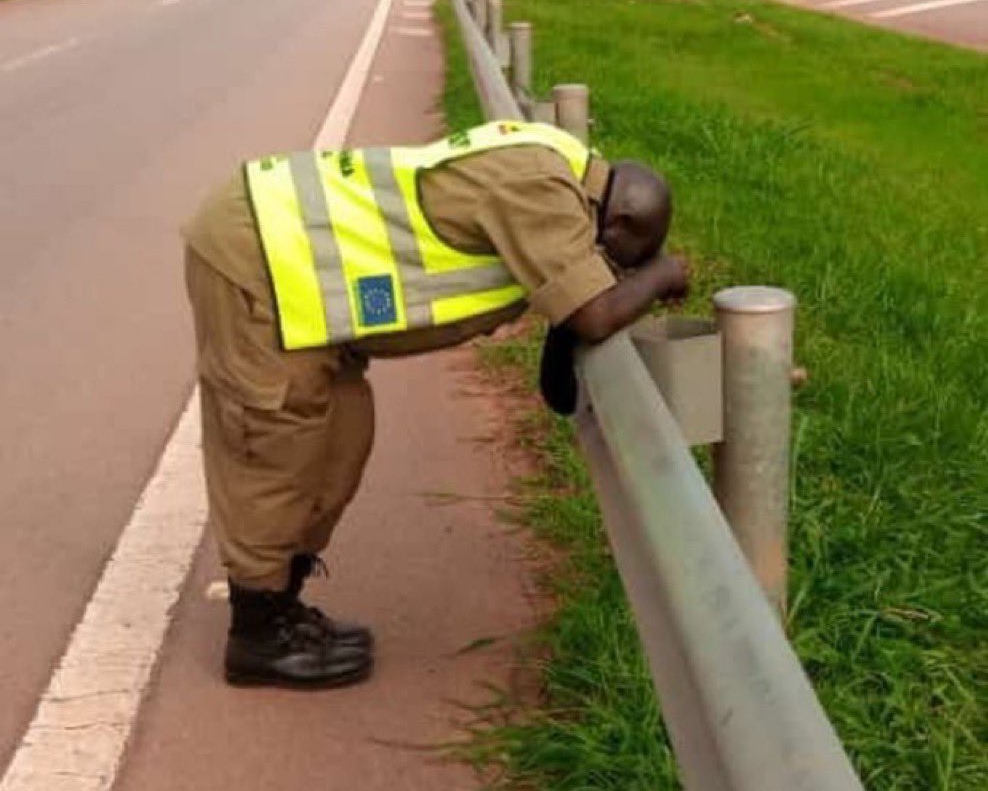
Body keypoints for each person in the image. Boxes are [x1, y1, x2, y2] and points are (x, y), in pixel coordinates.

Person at [182, 120, 689, 689]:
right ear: (615, 222)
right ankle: (256, 631)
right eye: (621, 260)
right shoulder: (543, 195)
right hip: (261, 257)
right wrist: (667, 273)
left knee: (341, 440)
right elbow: (593, 314)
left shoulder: (559, 169)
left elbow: (569, 329)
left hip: (305, 282)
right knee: (279, 445)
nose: (615, 274)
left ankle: (283, 604)